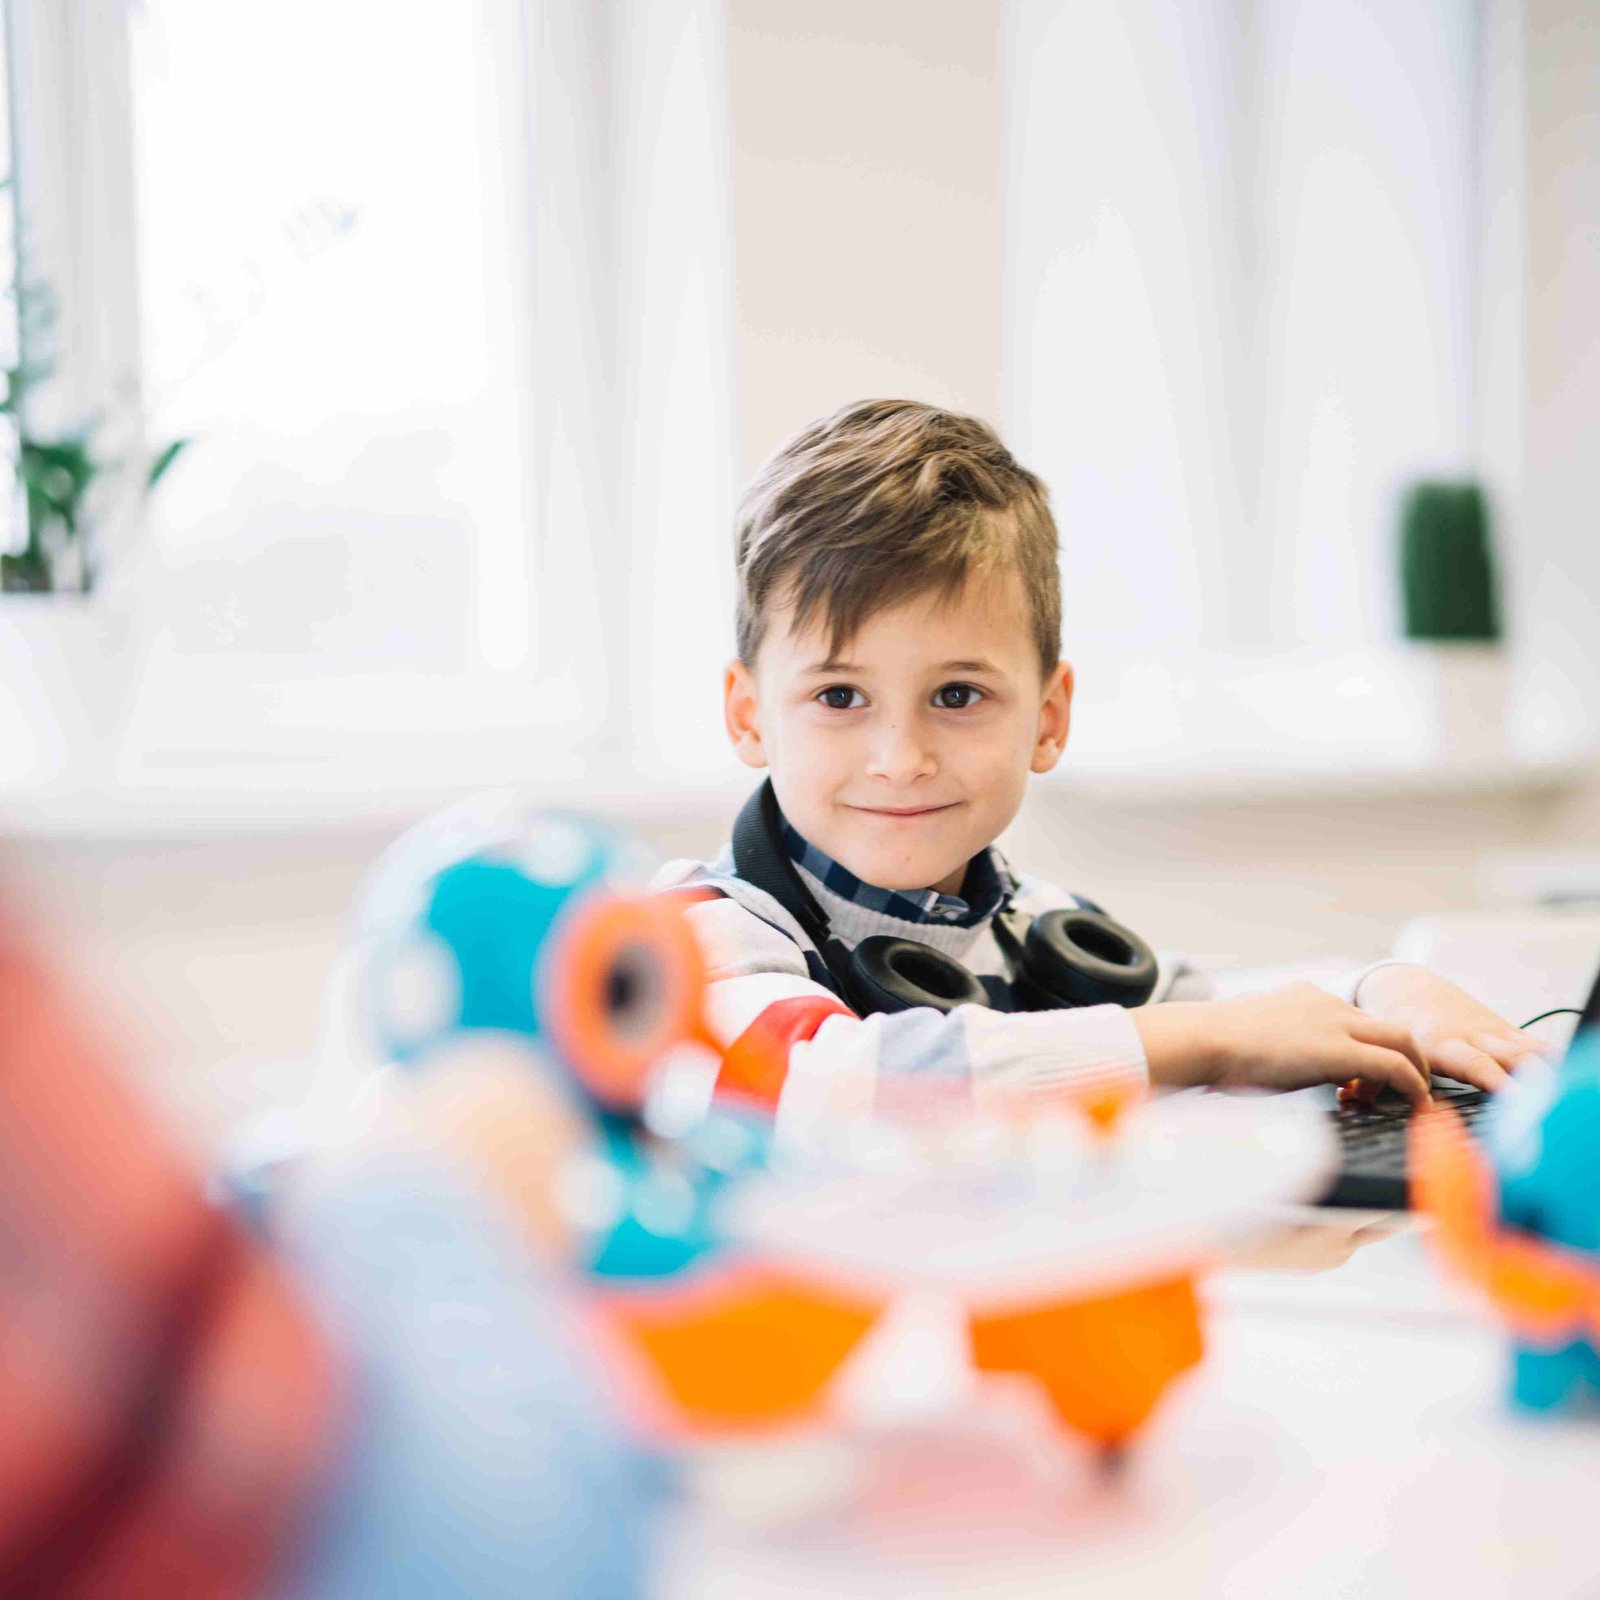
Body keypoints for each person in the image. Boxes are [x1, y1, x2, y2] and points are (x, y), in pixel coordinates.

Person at [653, 399, 1544, 1137]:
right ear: (748, 715)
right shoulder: (697, 937)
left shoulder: (1042, 929)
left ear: (1048, 719)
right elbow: (824, 1087)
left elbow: (1224, 1005)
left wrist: (1383, 991)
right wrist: (1204, 1041)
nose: (902, 761)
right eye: (840, 696)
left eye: (957, 695)